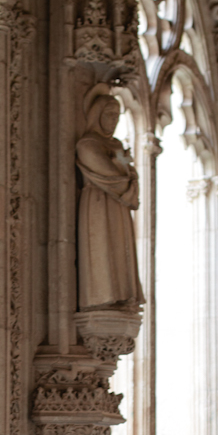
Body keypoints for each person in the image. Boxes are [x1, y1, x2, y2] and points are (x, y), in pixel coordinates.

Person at [76, 87, 144, 311]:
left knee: (120, 252)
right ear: (96, 115)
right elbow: (116, 179)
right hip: (98, 206)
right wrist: (128, 177)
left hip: (118, 209)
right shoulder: (88, 145)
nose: (113, 120)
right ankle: (102, 298)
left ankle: (125, 297)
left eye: (116, 116)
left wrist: (128, 177)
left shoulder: (116, 146)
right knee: (102, 251)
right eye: (109, 115)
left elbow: (127, 178)